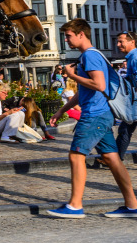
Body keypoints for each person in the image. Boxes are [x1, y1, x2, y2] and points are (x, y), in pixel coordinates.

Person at [47, 18, 137, 218]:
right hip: (101, 114)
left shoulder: (89, 56)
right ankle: (132, 205)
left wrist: (72, 76)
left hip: (94, 115)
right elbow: (86, 90)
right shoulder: (93, 55)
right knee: (111, 158)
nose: (67, 40)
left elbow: (99, 85)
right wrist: (62, 110)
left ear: (81, 34)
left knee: (76, 155)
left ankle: (75, 205)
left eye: (69, 36)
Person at [113, 31, 137, 157]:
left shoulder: (134, 57)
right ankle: (115, 157)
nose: (118, 44)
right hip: (133, 101)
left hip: (135, 101)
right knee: (125, 129)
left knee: (125, 129)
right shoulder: (132, 57)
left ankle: (115, 158)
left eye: (121, 41)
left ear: (132, 42)